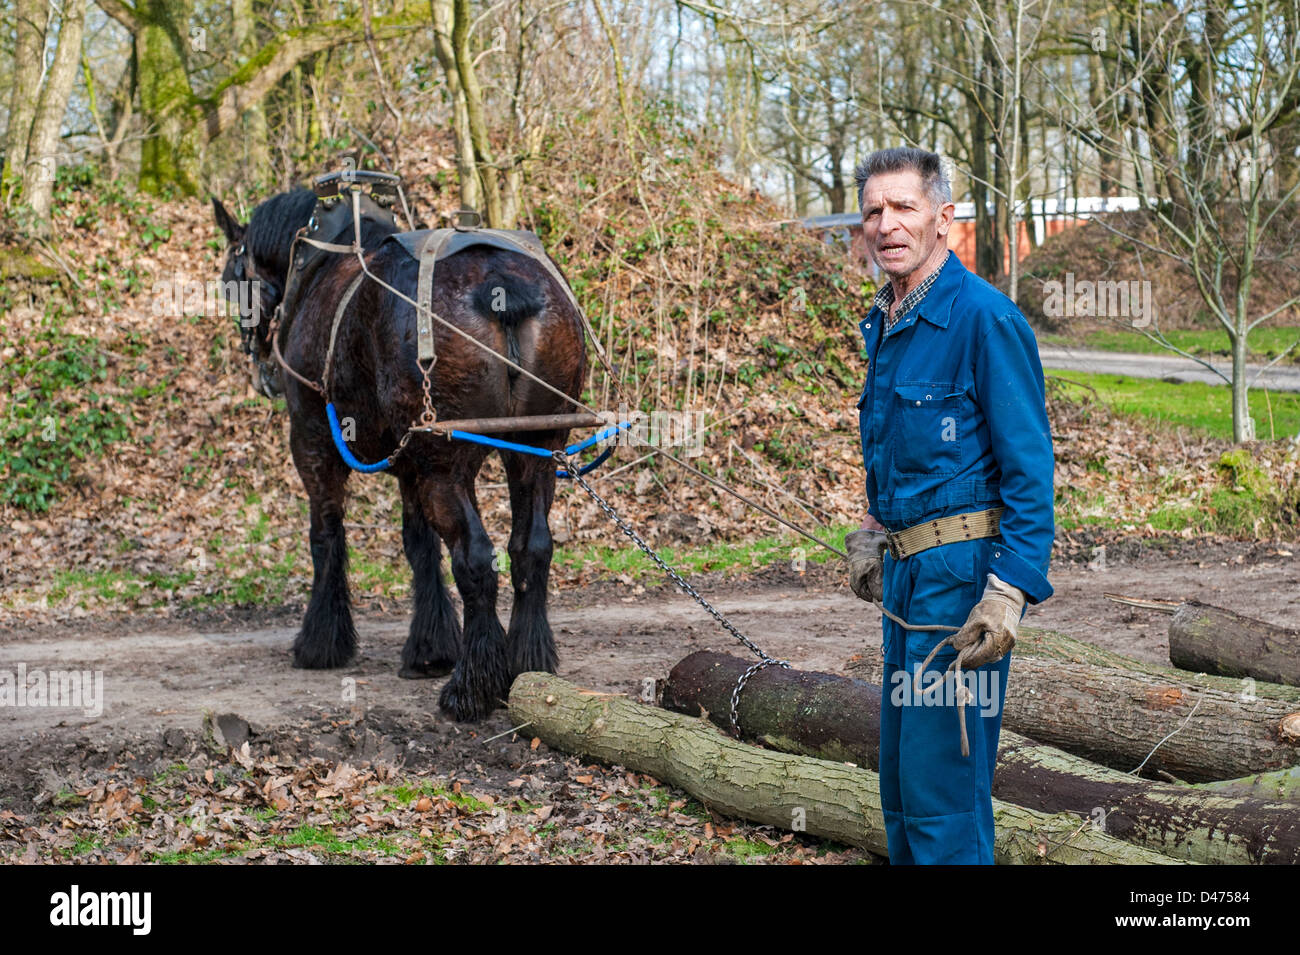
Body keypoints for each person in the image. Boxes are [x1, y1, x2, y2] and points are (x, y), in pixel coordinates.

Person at [844, 147, 1054, 865]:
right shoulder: (889, 318)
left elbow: (1031, 471)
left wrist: (1008, 593)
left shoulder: (983, 320)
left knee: (943, 798)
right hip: (908, 578)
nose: (887, 224)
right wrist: (872, 532)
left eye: (904, 207)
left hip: (960, 586)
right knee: (901, 789)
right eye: (874, 210)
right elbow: (895, 449)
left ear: (943, 217)